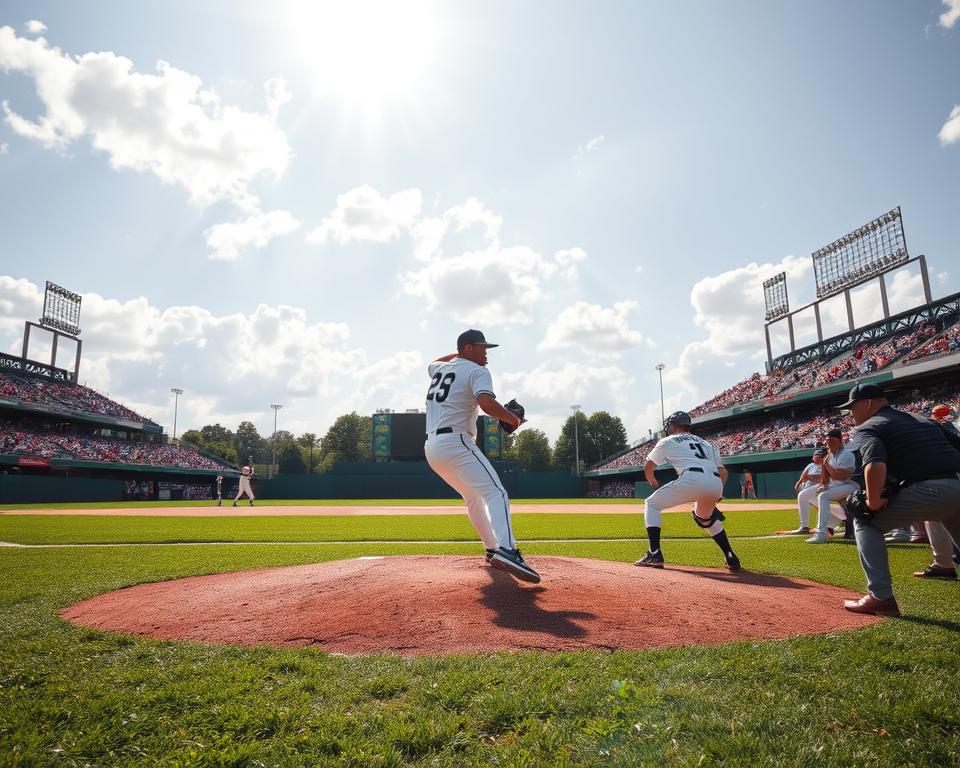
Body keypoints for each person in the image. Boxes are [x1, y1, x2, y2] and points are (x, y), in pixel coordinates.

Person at [423, 329, 537, 583]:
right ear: (467, 348)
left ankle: (492, 549)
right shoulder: (478, 371)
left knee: (473, 497)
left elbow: (432, 362)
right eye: (481, 347)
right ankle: (507, 550)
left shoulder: (439, 371)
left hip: (432, 448)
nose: (486, 352)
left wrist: (460, 354)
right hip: (456, 442)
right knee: (496, 492)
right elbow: (486, 404)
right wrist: (513, 419)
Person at [838, 383, 960, 616]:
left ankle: (880, 597)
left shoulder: (869, 426)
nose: (850, 414)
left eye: (852, 408)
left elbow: (875, 463)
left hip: (934, 490)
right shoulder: (925, 420)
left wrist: (873, 502)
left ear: (868, 404)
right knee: (943, 513)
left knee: (865, 521)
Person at [635, 410, 741, 571]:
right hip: (715, 481)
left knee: (651, 504)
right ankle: (730, 556)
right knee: (705, 518)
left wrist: (653, 482)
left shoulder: (668, 440)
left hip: (692, 478)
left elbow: (648, 466)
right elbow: (723, 472)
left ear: (673, 425)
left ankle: (654, 553)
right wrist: (717, 494)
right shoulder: (707, 443)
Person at [912, 404, 960, 579]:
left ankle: (943, 564)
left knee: (934, 511)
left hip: (950, 475)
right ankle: (944, 563)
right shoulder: (951, 425)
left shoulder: (937, 426)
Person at [803, 428, 859, 544]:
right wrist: (824, 483)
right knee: (812, 494)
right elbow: (825, 479)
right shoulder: (829, 456)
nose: (826, 443)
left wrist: (826, 464)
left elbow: (841, 476)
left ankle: (821, 533)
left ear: (838, 441)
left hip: (851, 485)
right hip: (837, 486)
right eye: (826, 440)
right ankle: (835, 521)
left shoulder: (847, 454)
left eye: (829, 440)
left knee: (823, 495)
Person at [785, 448, 826, 535]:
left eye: (817, 456)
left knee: (805, 498)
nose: (815, 457)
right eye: (814, 455)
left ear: (822, 457)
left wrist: (810, 477)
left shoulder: (824, 465)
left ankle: (805, 526)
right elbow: (804, 475)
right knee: (817, 504)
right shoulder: (811, 465)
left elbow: (821, 478)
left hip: (818, 487)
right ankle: (835, 521)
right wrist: (799, 482)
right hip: (808, 487)